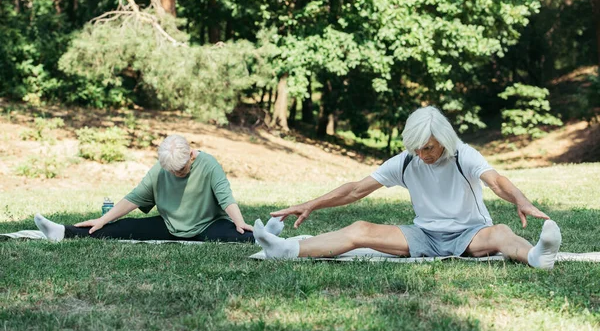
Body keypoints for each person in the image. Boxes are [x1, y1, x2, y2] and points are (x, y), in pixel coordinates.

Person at [253, 106, 562, 269]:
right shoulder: (406, 160)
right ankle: (286, 250)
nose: (422, 155)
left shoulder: (463, 155)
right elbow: (355, 190)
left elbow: (496, 180)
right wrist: (311, 204)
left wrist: (520, 200)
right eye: (416, 149)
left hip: (470, 234)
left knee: (501, 233)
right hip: (424, 234)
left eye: (427, 147)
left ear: (443, 138)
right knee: (360, 229)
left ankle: (536, 257)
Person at [34, 134, 283, 243]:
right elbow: (133, 198)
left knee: (240, 236)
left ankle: (268, 237)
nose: (176, 174)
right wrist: (103, 218)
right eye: (172, 171)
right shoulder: (160, 169)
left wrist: (239, 221)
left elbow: (225, 196)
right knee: (116, 227)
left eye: (181, 170)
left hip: (207, 224)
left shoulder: (208, 164)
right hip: (170, 226)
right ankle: (60, 232)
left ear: (192, 155)